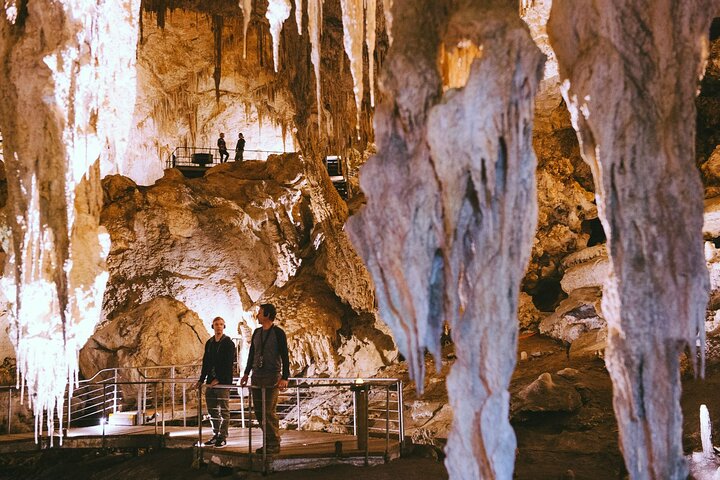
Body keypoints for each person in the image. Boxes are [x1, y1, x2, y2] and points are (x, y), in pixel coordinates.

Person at [240, 303, 290, 454]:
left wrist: (285, 377)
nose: (257, 315)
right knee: (259, 411)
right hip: (257, 376)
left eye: (260, 313)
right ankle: (268, 442)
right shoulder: (256, 333)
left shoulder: (278, 333)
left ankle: (274, 443)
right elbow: (252, 354)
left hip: (272, 376)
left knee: (268, 410)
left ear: (267, 315)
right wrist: (246, 373)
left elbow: (285, 356)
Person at [197, 316, 235, 448]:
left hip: (222, 382)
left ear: (224, 326)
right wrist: (202, 379)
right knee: (212, 410)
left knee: (224, 410)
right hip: (210, 381)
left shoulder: (228, 343)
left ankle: (223, 437)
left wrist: (219, 379)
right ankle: (215, 434)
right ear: (212, 326)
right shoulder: (210, 343)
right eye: (216, 324)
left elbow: (228, 363)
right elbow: (206, 362)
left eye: (221, 324)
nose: (218, 326)